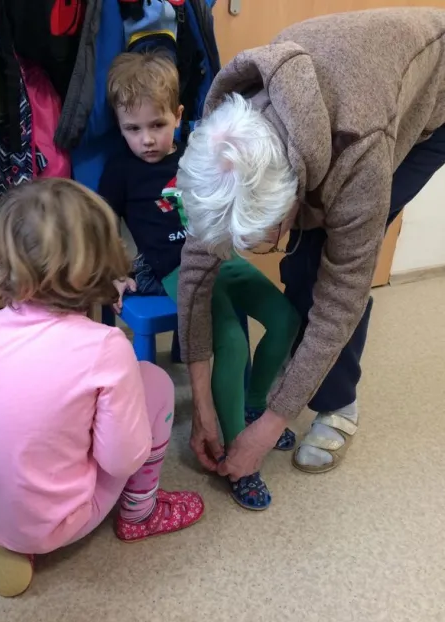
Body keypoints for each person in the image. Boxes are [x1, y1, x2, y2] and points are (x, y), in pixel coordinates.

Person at [175, 8, 445, 480]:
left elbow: (342, 298)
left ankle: (339, 404)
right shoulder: (222, 142)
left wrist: (264, 431)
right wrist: (202, 405)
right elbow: (197, 272)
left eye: (263, 240)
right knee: (301, 266)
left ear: (294, 193)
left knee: (326, 263)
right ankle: (302, 374)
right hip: (347, 88)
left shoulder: (362, 149)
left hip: (430, 101)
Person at [0, 178, 204, 598]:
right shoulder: (105, 346)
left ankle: (15, 540)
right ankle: (139, 514)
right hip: (63, 518)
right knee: (156, 383)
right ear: (101, 264)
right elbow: (122, 459)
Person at [98, 52, 300, 511]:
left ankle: (252, 404)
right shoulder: (120, 170)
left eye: (157, 124)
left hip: (224, 260)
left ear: (179, 117)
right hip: (175, 273)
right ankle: (233, 450)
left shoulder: (200, 151)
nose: (146, 139)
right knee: (229, 341)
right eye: (133, 129)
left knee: (285, 317)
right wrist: (112, 272)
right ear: (119, 125)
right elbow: (102, 225)